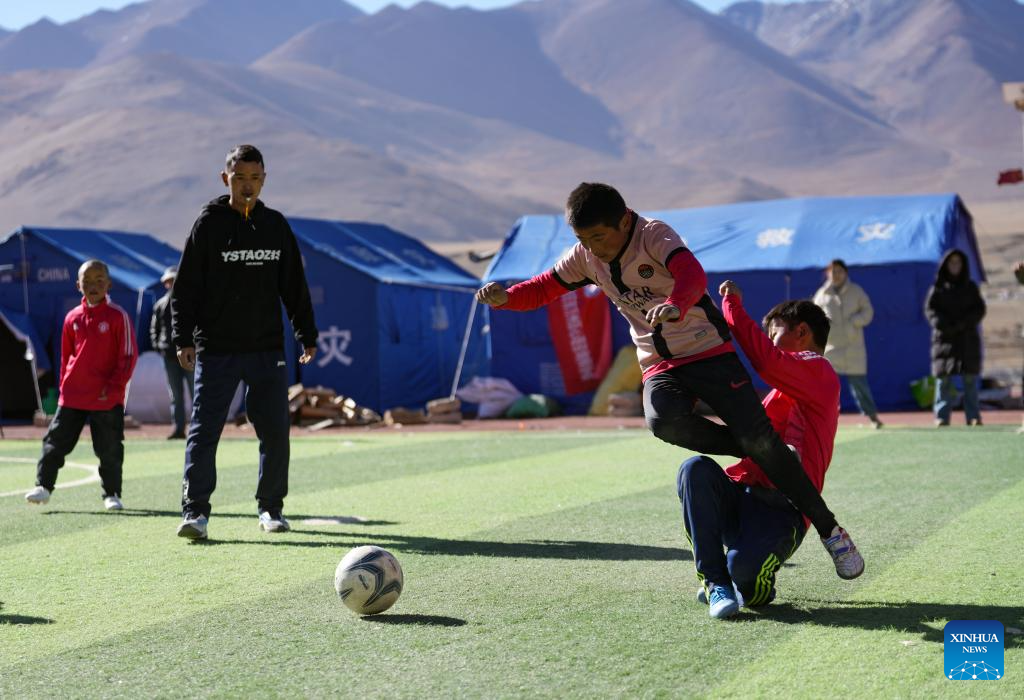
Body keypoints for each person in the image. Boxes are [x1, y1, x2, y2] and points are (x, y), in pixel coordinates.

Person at [476, 182, 864, 580]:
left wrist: (677, 305)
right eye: (582, 239)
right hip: (659, 364)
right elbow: (543, 287)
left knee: (762, 443)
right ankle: (755, 451)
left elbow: (692, 274)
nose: (592, 247)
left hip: (709, 352)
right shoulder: (585, 257)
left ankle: (831, 531)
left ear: (624, 221)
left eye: (598, 237)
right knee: (663, 420)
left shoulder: (654, 235)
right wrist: (508, 297)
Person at [171, 144, 318, 540]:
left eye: (254, 178)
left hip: (266, 348)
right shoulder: (208, 224)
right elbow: (185, 289)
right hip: (217, 348)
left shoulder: (276, 225)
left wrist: (306, 333)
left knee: (275, 430)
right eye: (240, 178)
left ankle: (271, 508)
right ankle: (195, 512)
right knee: (204, 429)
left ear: (264, 179)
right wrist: (182, 338)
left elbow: (294, 286)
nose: (247, 186)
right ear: (226, 179)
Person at [679, 283, 845, 618]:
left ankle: (743, 579)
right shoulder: (780, 391)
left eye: (773, 332)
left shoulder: (819, 369)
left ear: (801, 331)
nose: (768, 341)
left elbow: (766, 362)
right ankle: (716, 581)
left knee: (749, 581)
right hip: (742, 496)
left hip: (781, 514)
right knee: (694, 468)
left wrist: (732, 306)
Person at [24, 259, 138, 511]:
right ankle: (43, 486)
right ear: (78, 285)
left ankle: (111, 494)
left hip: (106, 397)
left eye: (99, 281)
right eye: (87, 281)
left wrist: (115, 385)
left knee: (108, 448)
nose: (93, 285)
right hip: (73, 395)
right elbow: (66, 357)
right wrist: (65, 386)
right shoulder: (72, 318)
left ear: (109, 284)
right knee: (54, 442)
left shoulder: (118, 316)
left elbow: (128, 355)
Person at [813, 259, 883, 428]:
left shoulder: (856, 291)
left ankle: (873, 417)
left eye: (839, 271)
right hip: (831, 348)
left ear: (846, 273)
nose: (836, 275)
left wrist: (855, 321)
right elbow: (813, 317)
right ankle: (822, 419)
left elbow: (868, 311)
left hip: (853, 349)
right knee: (826, 387)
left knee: (860, 386)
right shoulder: (821, 295)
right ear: (827, 273)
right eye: (833, 271)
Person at [925, 250, 985, 427]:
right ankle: (941, 417)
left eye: (958, 263)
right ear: (945, 265)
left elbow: (979, 310)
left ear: (963, 265)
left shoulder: (970, 287)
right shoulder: (937, 289)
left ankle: (973, 416)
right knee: (943, 380)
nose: (955, 266)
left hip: (967, 340)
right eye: (951, 263)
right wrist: (945, 325)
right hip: (944, 341)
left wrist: (963, 324)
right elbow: (931, 312)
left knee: (969, 380)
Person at [150, 265, 193, 439]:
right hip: (169, 355)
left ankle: (198, 427)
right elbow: (155, 328)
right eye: (168, 281)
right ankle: (178, 429)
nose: (171, 284)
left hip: (190, 355)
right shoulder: (160, 304)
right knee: (175, 395)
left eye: (173, 280)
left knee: (195, 393)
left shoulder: (190, 301)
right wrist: (158, 346)